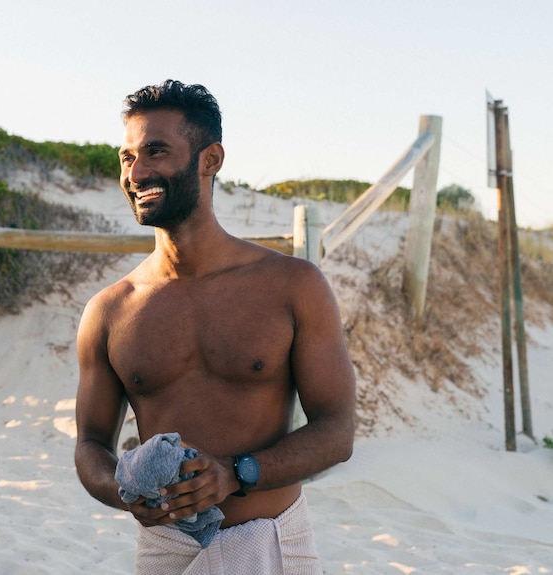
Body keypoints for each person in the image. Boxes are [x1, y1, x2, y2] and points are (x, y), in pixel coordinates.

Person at [74, 79, 356, 574]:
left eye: (155, 152)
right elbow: (90, 445)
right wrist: (121, 491)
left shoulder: (292, 286)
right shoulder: (110, 311)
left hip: (273, 544)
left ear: (210, 159)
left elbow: (338, 430)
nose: (136, 173)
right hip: (165, 551)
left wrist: (237, 473)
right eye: (126, 158)